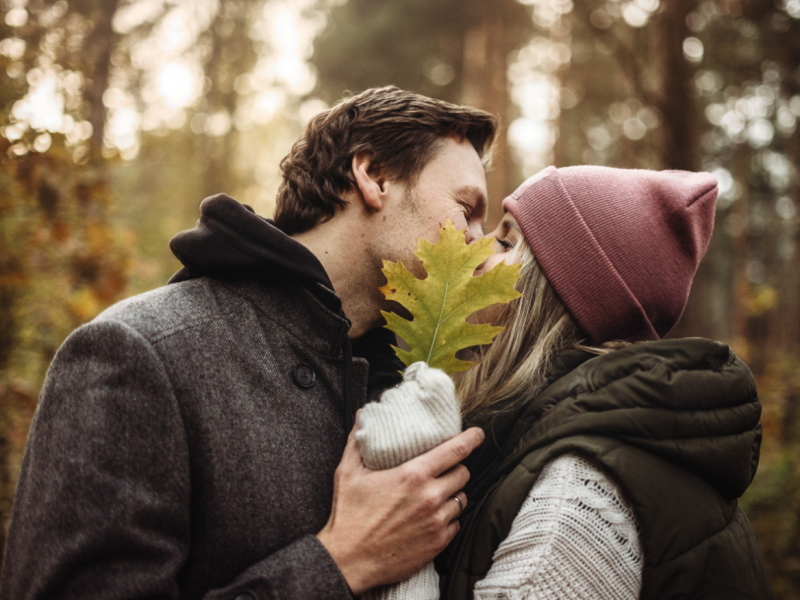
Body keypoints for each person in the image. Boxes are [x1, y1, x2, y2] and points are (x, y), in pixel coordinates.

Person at [0, 87, 493, 600]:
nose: (481, 246)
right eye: (466, 208)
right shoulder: (139, 352)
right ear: (375, 176)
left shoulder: (411, 388)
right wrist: (342, 561)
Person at [353, 165, 772, 599]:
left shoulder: (575, 503)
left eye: (504, 241)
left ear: (549, 294)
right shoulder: (549, 437)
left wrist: (387, 556)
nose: (471, 250)